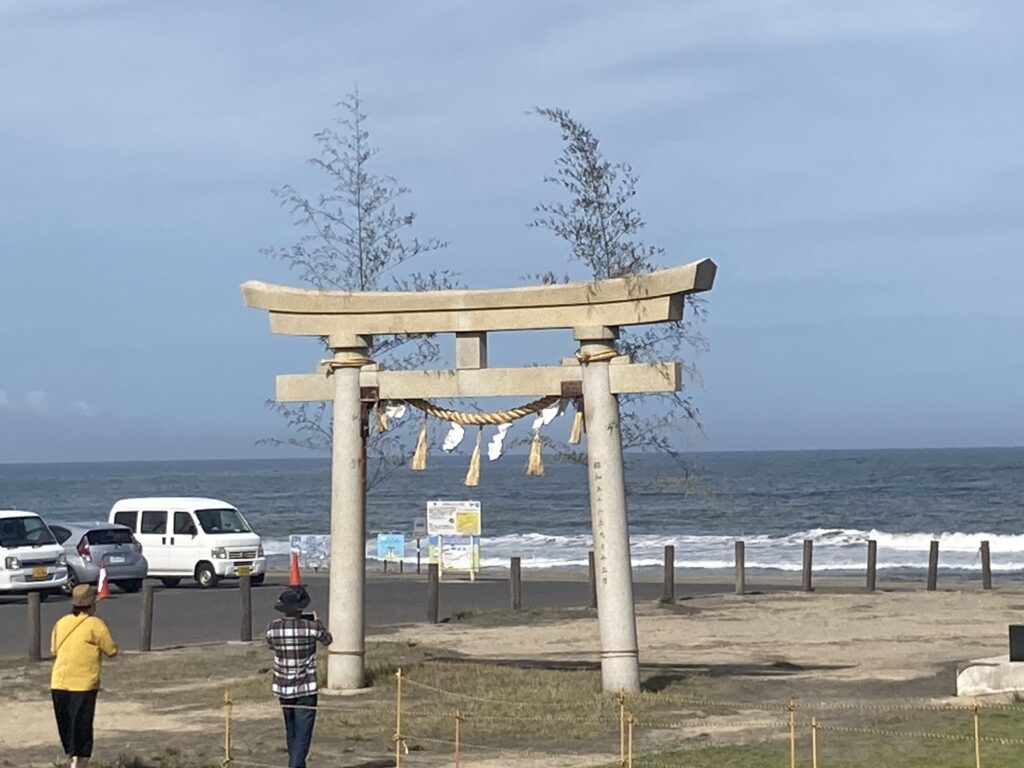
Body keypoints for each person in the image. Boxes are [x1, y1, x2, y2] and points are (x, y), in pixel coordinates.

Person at [50, 584, 118, 768]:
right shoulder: (95, 625)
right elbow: (111, 649)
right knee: (82, 727)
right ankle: (80, 764)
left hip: (59, 681)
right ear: (91, 605)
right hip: (83, 684)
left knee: (67, 727)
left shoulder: (61, 623)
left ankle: (73, 761)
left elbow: (53, 649)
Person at [266, 586, 333, 768]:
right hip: (306, 686)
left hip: (283, 686)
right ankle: (295, 765)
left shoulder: (273, 628)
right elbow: (327, 640)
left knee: (292, 731)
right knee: (303, 734)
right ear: (301, 608)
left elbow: (270, 644)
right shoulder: (312, 628)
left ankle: (296, 763)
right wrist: (319, 623)